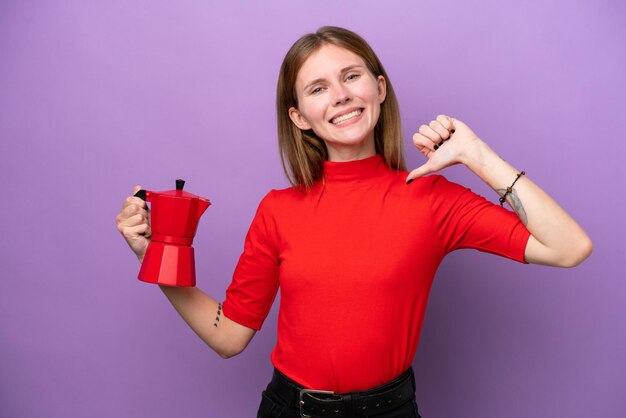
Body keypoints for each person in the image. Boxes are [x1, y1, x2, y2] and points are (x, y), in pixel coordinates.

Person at [115, 26, 592, 418]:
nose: (340, 96)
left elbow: (568, 247)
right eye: (319, 88)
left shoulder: (431, 199)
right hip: (290, 410)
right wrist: (157, 257)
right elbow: (228, 337)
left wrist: (478, 156)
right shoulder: (278, 209)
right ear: (300, 117)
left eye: (351, 76)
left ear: (379, 88)